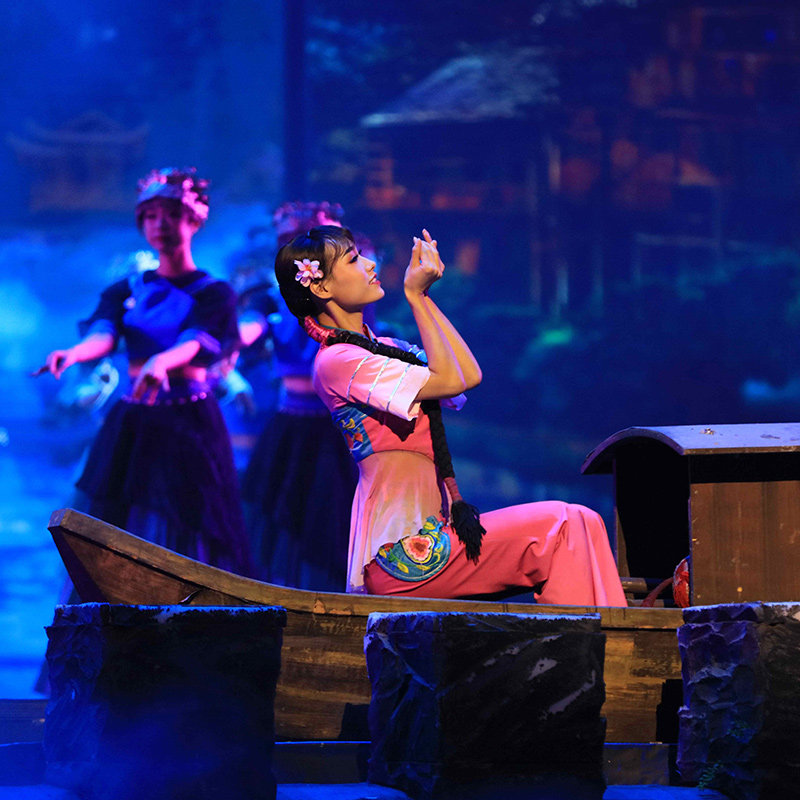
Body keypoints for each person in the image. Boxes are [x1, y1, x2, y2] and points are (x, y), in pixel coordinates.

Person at [273, 224, 627, 605]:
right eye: (354, 259)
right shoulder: (337, 361)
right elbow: (448, 379)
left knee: (586, 521)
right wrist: (414, 296)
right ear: (321, 287)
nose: (371, 264)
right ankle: (598, 639)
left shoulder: (383, 347)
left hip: (434, 534)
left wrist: (423, 297)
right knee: (563, 524)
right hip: (399, 551)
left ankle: (603, 638)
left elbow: (467, 375)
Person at [37, 168, 253, 576]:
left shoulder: (214, 292)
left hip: (189, 419)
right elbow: (105, 332)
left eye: (170, 214)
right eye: (151, 216)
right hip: (134, 418)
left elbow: (198, 339)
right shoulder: (127, 288)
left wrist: (163, 361)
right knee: (118, 521)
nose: (160, 224)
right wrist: (74, 353)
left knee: (189, 519)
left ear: (193, 220)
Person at [236, 201, 358, 590]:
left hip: (335, 425)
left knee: (330, 521)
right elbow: (249, 328)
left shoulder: (347, 297)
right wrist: (230, 339)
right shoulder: (268, 297)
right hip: (290, 424)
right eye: (290, 241)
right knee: (280, 518)